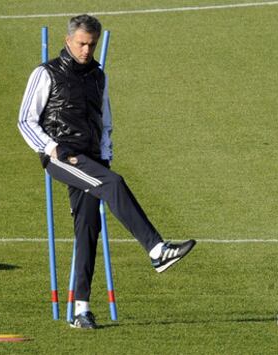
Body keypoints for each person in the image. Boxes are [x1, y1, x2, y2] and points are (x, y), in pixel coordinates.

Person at [18, 14, 196, 329]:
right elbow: (25, 120)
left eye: (91, 44)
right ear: (68, 40)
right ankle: (156, 250)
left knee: (87, 229)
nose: (86, 50)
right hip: (63, 155)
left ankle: (81, 310)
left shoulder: (99, 76)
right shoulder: (45, 73)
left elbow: (105, 119)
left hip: (92, 156)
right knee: (114, 184)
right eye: (81, 43)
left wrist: (106, 154)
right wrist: (50, 148)